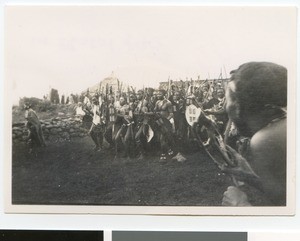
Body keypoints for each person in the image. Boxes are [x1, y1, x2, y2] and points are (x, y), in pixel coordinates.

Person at [222, 62, 287, 206]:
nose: (225, 108)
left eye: (227, 100)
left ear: (238, 105)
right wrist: (251, 177)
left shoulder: (264, 139)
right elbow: (287, 194)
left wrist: (241, 205)